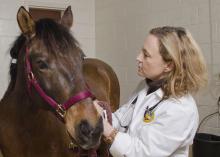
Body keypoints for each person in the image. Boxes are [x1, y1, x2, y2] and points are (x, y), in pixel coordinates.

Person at [94, 26, 207, 157]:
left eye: (146, 55)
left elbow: (141, 152)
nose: (138, 58)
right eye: (141, 52)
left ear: (168, 65)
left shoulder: (180, 109)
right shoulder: (145, 86)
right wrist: (94, 111)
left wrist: (106, 128)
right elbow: (121, 119)